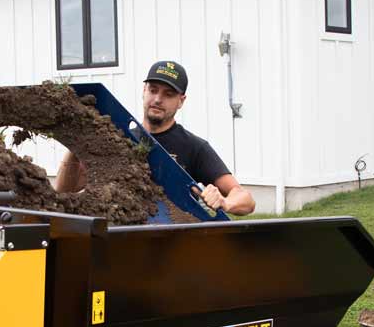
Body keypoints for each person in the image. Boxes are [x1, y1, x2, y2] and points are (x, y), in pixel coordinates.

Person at [55, 60, 255, 216]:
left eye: (168, 94)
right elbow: (65, 191)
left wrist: (225, 202)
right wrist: (76, 142)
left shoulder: (194, 147)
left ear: (181, 101)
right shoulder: (115, 137)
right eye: (153, 90)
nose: (158, 99)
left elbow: (246, 200)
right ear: (144, 91)